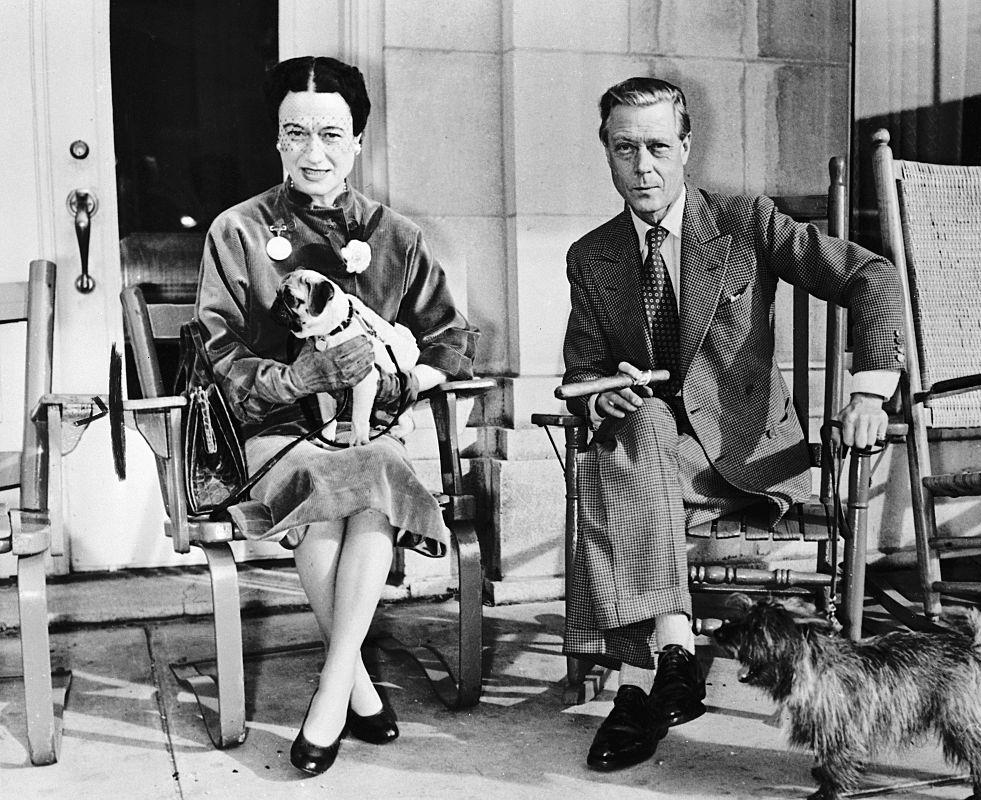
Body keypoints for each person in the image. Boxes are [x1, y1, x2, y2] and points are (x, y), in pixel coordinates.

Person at [560, 76, 905, 771]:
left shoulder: (744, 222)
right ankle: (674, 655)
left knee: (612, 468)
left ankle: (636, 681)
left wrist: (870, 393)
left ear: (686, 146)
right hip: (656, 460)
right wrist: (602, 400)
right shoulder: (591, 256)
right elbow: (581, 379)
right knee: (638, 427)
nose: (643, 166)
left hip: (747, 459)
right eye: (624, 149)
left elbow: (872, 276)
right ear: (606, 153)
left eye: (658, 146)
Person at [196, 56, 477, 776]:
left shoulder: (397, 236)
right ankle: (348, 686)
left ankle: (334, 688)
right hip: (273, 432)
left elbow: (449, 339)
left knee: (367, 474)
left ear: (358, 142)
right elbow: (219, 359)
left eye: (331, 134)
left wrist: (402, 379)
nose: (314, 153)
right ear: (277, 141)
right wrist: (301, 375)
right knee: (333, 485)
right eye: (296, 134)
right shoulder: (237, 232)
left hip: (369, 430)